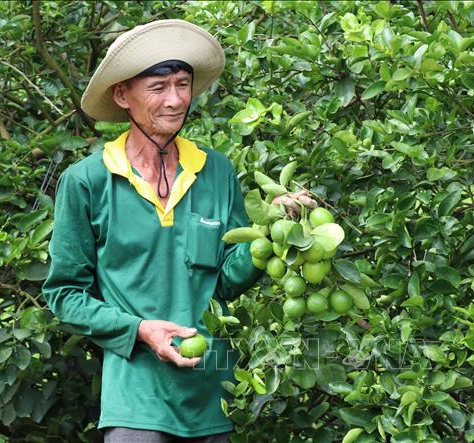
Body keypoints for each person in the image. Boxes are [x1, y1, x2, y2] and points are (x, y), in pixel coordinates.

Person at [42, 19, 299, 442]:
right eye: (158, 88)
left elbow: (225, 283)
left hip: (213, 396)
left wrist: (272, 233)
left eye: (183, 85)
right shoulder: (88, 181)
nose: (176, 100)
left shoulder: (215, 170)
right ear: (122, 95)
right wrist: (140, 330)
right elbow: (65, 294)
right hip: (135, 399)